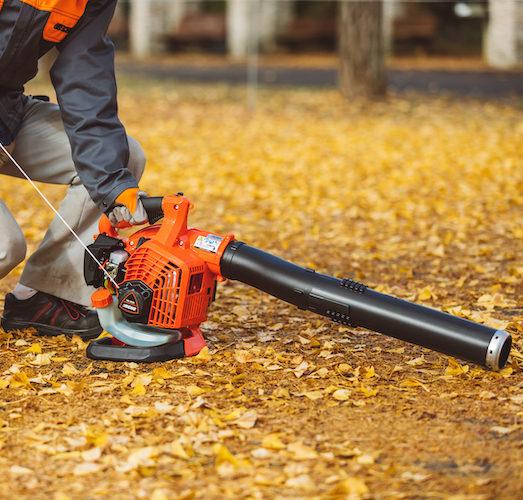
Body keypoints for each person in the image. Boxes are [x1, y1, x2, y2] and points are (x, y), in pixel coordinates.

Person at [0, 0, 148, 339]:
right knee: (3, 247)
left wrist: (112, 184)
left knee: (120, 159)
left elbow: (86, 78)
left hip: (5, 113)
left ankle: (41, 296)